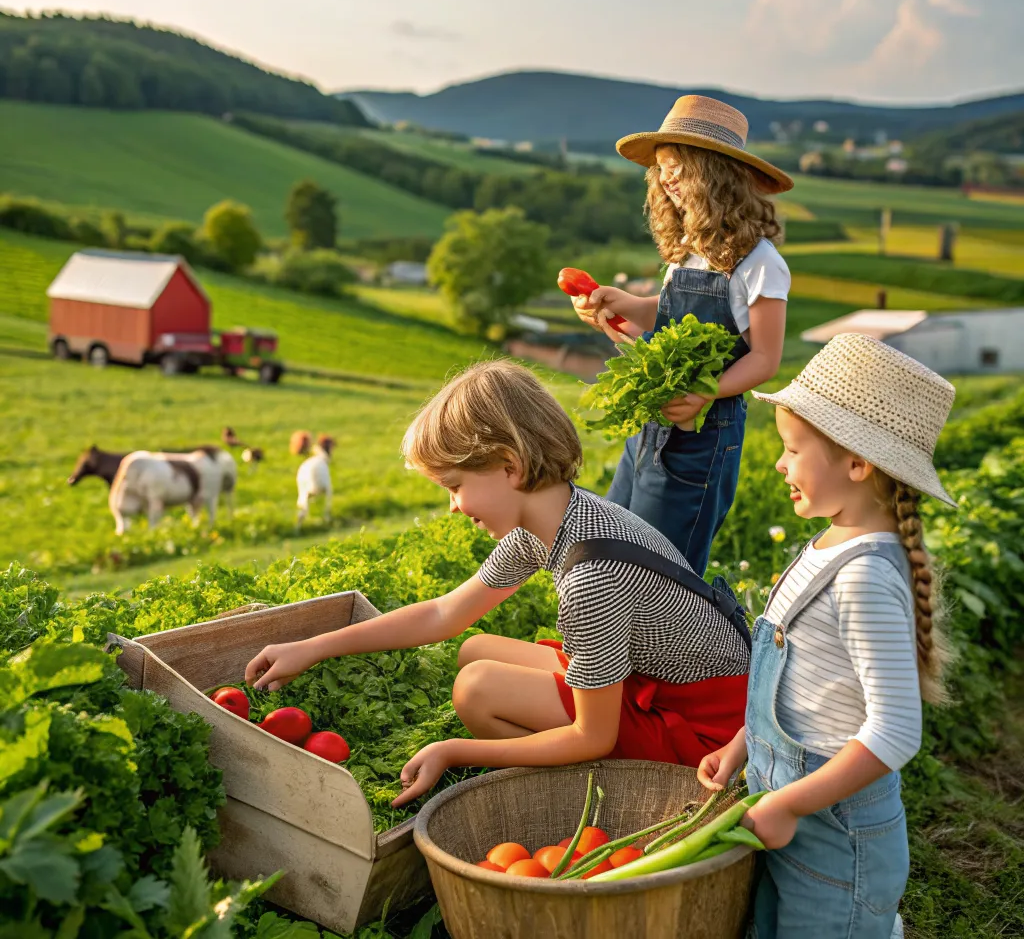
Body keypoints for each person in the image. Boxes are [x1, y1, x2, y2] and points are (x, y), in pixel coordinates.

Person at [245, 360, 750, 807]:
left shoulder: (591, 576)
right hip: (664, 686)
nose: (453, 506)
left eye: (456, 486)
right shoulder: (557, 516)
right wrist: (313, 646)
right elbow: (446, 614)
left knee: (476, 689)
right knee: (475, 649)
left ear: (510, 465)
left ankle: (587, 797)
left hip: (705, 735)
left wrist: (458, 751)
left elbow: (593, 735)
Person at [696, 333, 956, 938]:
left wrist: (787, 802)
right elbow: (812, 694)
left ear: (858, 465)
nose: (780, 464)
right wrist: (744, 745)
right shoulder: (827, 547)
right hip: (790, 808)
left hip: (836, 840)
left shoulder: (864, 576)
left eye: (792, 450)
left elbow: (895, 733)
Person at [572, 95, 794, 575]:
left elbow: (765, 359)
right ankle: (604, 649)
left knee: (660, 572)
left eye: (680, 166)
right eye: (663, 167)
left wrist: (702, 391)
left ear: (718, 175)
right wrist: (623, 306)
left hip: (704, 438)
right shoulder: (690, 251)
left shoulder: (760, 264)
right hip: (653, 429)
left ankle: (672, 649)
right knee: (612, 543)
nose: (667, 177)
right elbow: (674, 314)